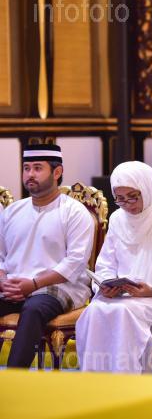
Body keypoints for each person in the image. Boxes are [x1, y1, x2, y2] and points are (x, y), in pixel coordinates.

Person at [75, 161, 152, 372]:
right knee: (94, 311)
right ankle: (98, 383)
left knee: (124, 312)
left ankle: (127, 381)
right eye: (120, 198)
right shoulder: (117, 218)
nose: (127, 204)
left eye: (132, 197)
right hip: (122, 294)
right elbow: (106, 263)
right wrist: (105, 285)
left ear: (146, 188)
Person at [0, 144, 94, 367]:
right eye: (26, 168)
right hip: (14, 286)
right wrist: (3, 281)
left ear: (57, 172)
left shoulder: (74, 212)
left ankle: (14, 378)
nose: (30, 174)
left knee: (34, 309)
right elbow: (1, 255)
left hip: (59, 288)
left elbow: (75, 263)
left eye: (37, 168)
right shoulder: (12, 211)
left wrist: (33, 284)